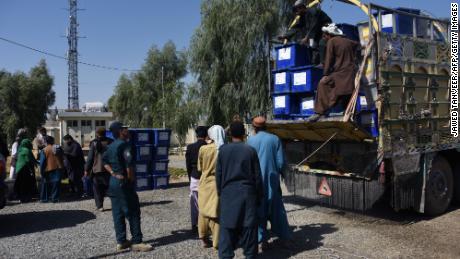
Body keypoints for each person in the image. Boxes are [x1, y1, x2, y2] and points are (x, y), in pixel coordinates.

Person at [103, 121, 153, 252]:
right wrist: (131, 180)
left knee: (117, 212)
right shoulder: (126, 145)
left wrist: (113, 173)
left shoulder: (111, 146)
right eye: (125, 128)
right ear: (120, 131)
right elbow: (129, 166)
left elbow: (104, 161)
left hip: (113, 183)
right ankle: (137, 241)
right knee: (133, 211)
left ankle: (121, 241)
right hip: (124, 183)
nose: (128, 130)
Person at [216, 121, 263, 259]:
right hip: (247, 195)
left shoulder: (223, 151)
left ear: (230, 134)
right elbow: (257, 177)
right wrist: (259, 196)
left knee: (227, 230)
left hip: (228, 194)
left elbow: (218, 175)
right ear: (244, 133)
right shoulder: (250, 151)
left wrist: (221, 193)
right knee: (249, 229)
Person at [247, 116, 292, 250]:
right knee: (277, 210)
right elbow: (281, 162)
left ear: (254, 127)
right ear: (266, 126)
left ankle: (262, 240)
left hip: (256, 183)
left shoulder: (250, 141)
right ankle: (285, 238)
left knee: (259, 210)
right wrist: (282, 173)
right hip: (272, 181)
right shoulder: (274, 139)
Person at [308, 23, 360, 122]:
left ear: (329, 35)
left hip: (340, 74)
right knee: (346, 93)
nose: (324, 37)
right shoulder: (349, 41)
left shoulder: (332, 41)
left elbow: (328, 59)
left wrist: (325, 73)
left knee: (323, 84)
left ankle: (319, 112)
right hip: (350, 74)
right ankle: (347, 113)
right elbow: (358, 45)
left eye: (325, 35)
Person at [279, 0, 332, 65]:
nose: (296, 13)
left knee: (321, 43)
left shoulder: (313, 11)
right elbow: (296, 27)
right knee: (311, 46)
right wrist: (285, 36)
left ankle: (322, 63)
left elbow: (314, 25)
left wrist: (306, 38)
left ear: (301, 7)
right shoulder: (302, 18)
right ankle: (313, 63)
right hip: (316, 33)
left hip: (326, 29)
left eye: (296, 10)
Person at [197, 125, 225, 249]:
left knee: (203, 211)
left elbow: (200, 167)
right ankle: (216, 242)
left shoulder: (203, 149)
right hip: (217, 183)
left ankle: (203, 238)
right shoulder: (224, 149)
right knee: (216, 212)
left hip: (204, 182)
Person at [185, 126, 208, 233]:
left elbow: (188, 165)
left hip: (194, 175)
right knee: (207, 202)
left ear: (196, 135)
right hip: (206, 176)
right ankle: (207, 225)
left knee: (194, 202)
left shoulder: (190, 147)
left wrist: (190, 178)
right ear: (206, 135)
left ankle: (195, 225)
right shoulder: (209, 147)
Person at [85, 127, 113, 211]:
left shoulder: (94, 143)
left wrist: (86, 169)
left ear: (97, 133)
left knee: (97, 189)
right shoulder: (111, 142)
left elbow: (90, 158)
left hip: (97, 169)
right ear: (105, 133)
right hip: (108, 169)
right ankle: (115, 204)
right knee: (109, 188)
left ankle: (100, 206)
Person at [39, 136, 65, 203]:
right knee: (56, 184)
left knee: (46, 184)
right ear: (53, 141)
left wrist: (41, 171)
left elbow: (42, 162)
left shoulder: (44, 150)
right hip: (58, 168)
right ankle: (55, 198)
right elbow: (63, 157)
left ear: (46, 142)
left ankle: (45, 199)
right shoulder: (58, 148)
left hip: (48, 169)